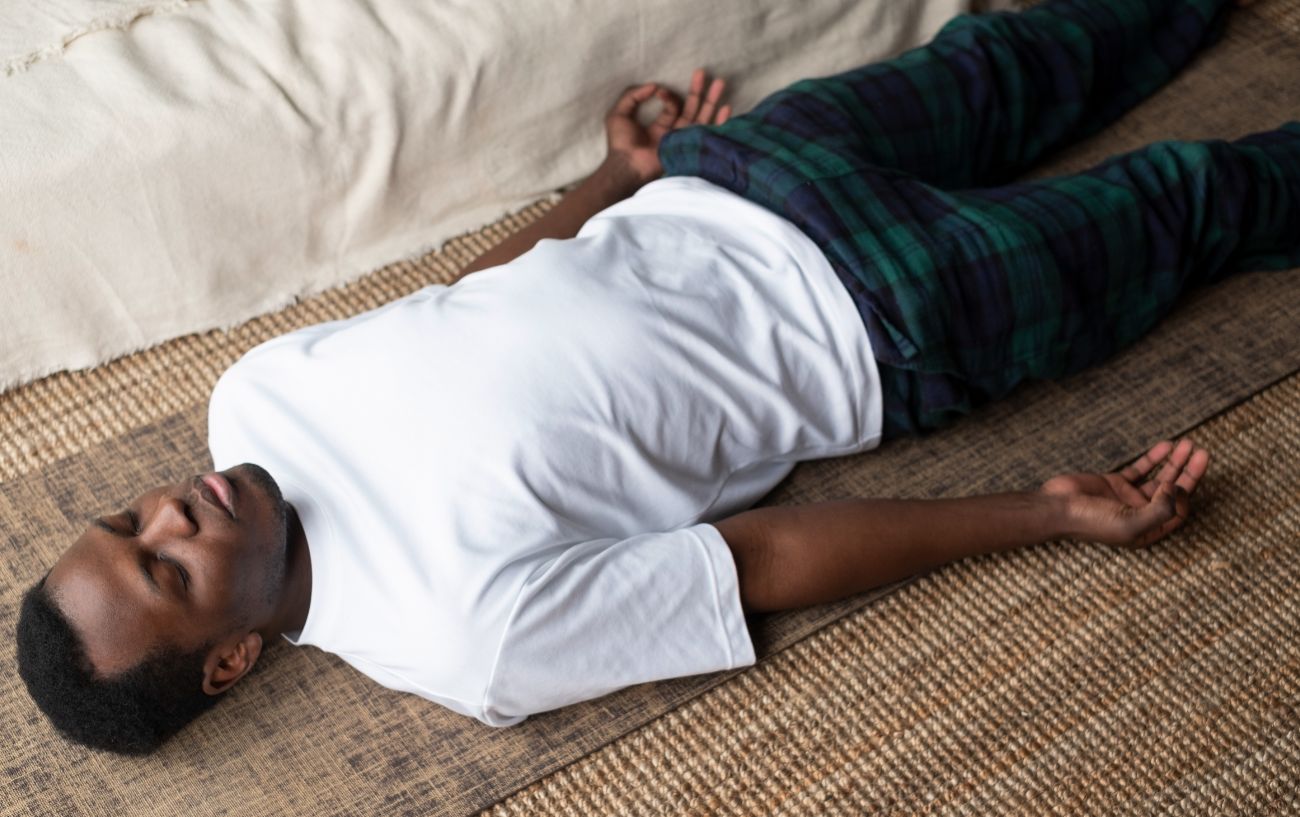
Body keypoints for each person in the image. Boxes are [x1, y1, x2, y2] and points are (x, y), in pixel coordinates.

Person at [17, 0, 1293, 756]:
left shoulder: (251, 399)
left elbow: (465, 299)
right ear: (231, 660)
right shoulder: (461, 640)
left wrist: (616, 179)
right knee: (1196, 196)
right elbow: (757, 560)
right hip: (888, 315)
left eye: (129, 518)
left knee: (1032, 50)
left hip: (741, 176)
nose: (169, 511)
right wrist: (1047, 514)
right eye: (166, 568)